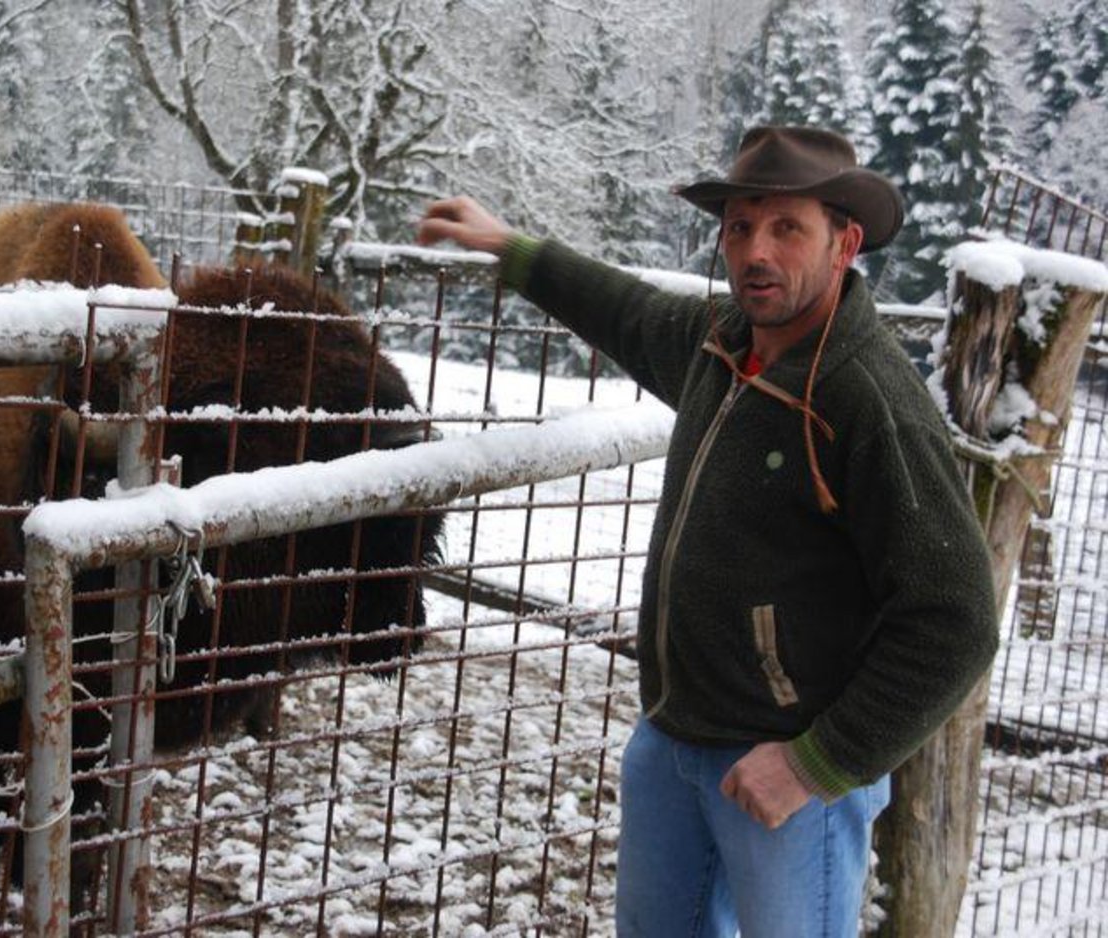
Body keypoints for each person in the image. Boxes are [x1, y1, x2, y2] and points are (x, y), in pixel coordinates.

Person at [417, 126, 999, 938]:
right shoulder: (722, 346)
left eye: (787, 228)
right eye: (738, 228)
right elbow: (625, 309)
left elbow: (958, 619)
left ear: (845, 243)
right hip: (674, 741)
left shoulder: (866, 398)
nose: (756, 251)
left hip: (787, 774)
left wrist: (817, 763)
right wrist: (510, 248)